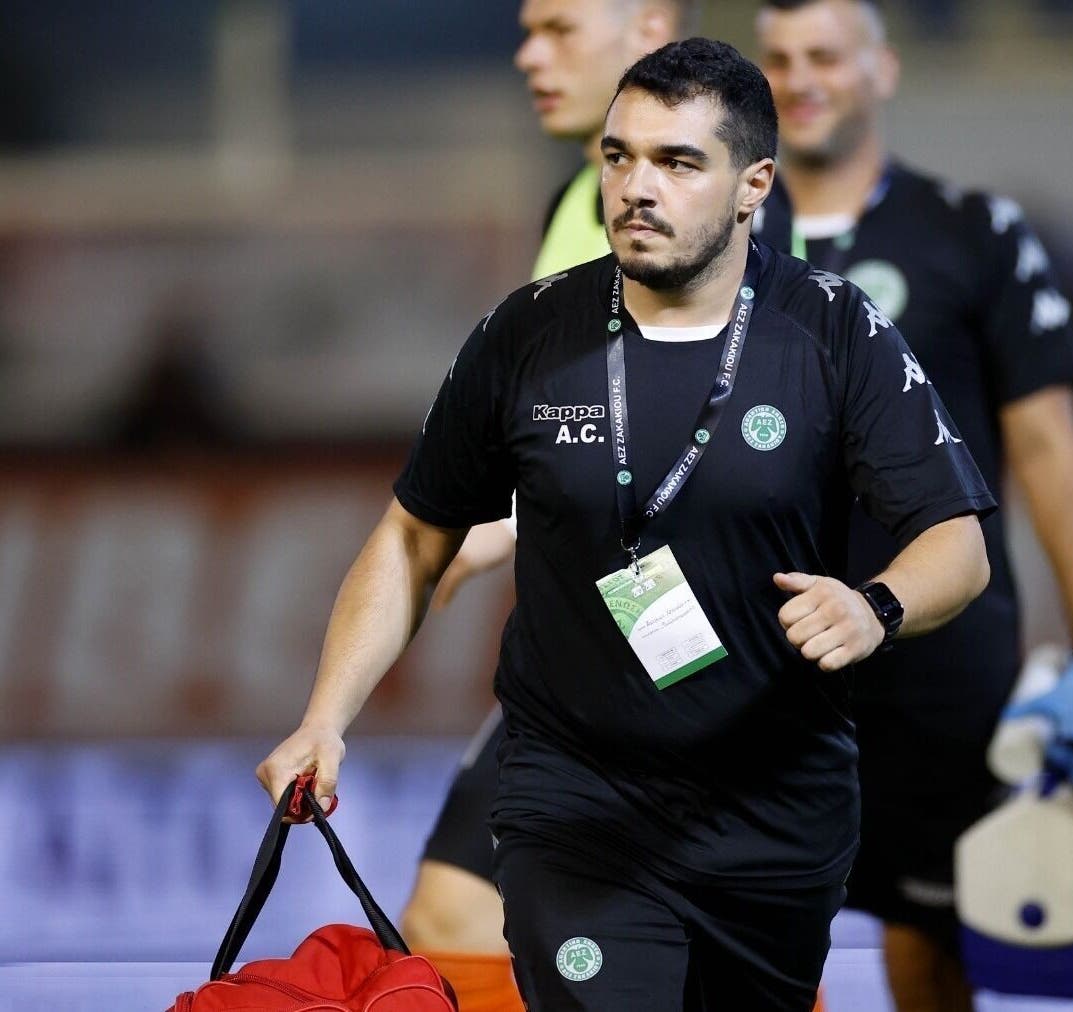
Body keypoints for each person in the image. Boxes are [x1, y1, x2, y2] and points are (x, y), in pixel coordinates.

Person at [257, 38, 994, 1011]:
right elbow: (412, 537)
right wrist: (325, 716)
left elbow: (960, 541)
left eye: (678, 162)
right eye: (619, 156)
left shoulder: (831, 330)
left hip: (776, 810)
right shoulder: (525, 336)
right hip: (578, 807)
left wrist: (876, 607)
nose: (637, 186)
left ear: (751, 184)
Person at [753, 2, 1073, 1009]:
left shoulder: (972, 230)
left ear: (882, 69)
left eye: (826, 55)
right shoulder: (720, 229)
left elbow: (1050, 451)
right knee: (745, 932)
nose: (802, 77)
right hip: (759, 651)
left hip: (938, 647)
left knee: (931, 939)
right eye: (779, 58)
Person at [397, 4, 697, 1007]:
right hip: (617, 615)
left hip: (670, 617)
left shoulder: (704, 204)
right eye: (526, 29)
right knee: (494, 914)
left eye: (560, 27)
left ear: (649, 23)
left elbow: (695, 431)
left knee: (477, 911)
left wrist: (517, 521)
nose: (529, 54)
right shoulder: (577, 200)